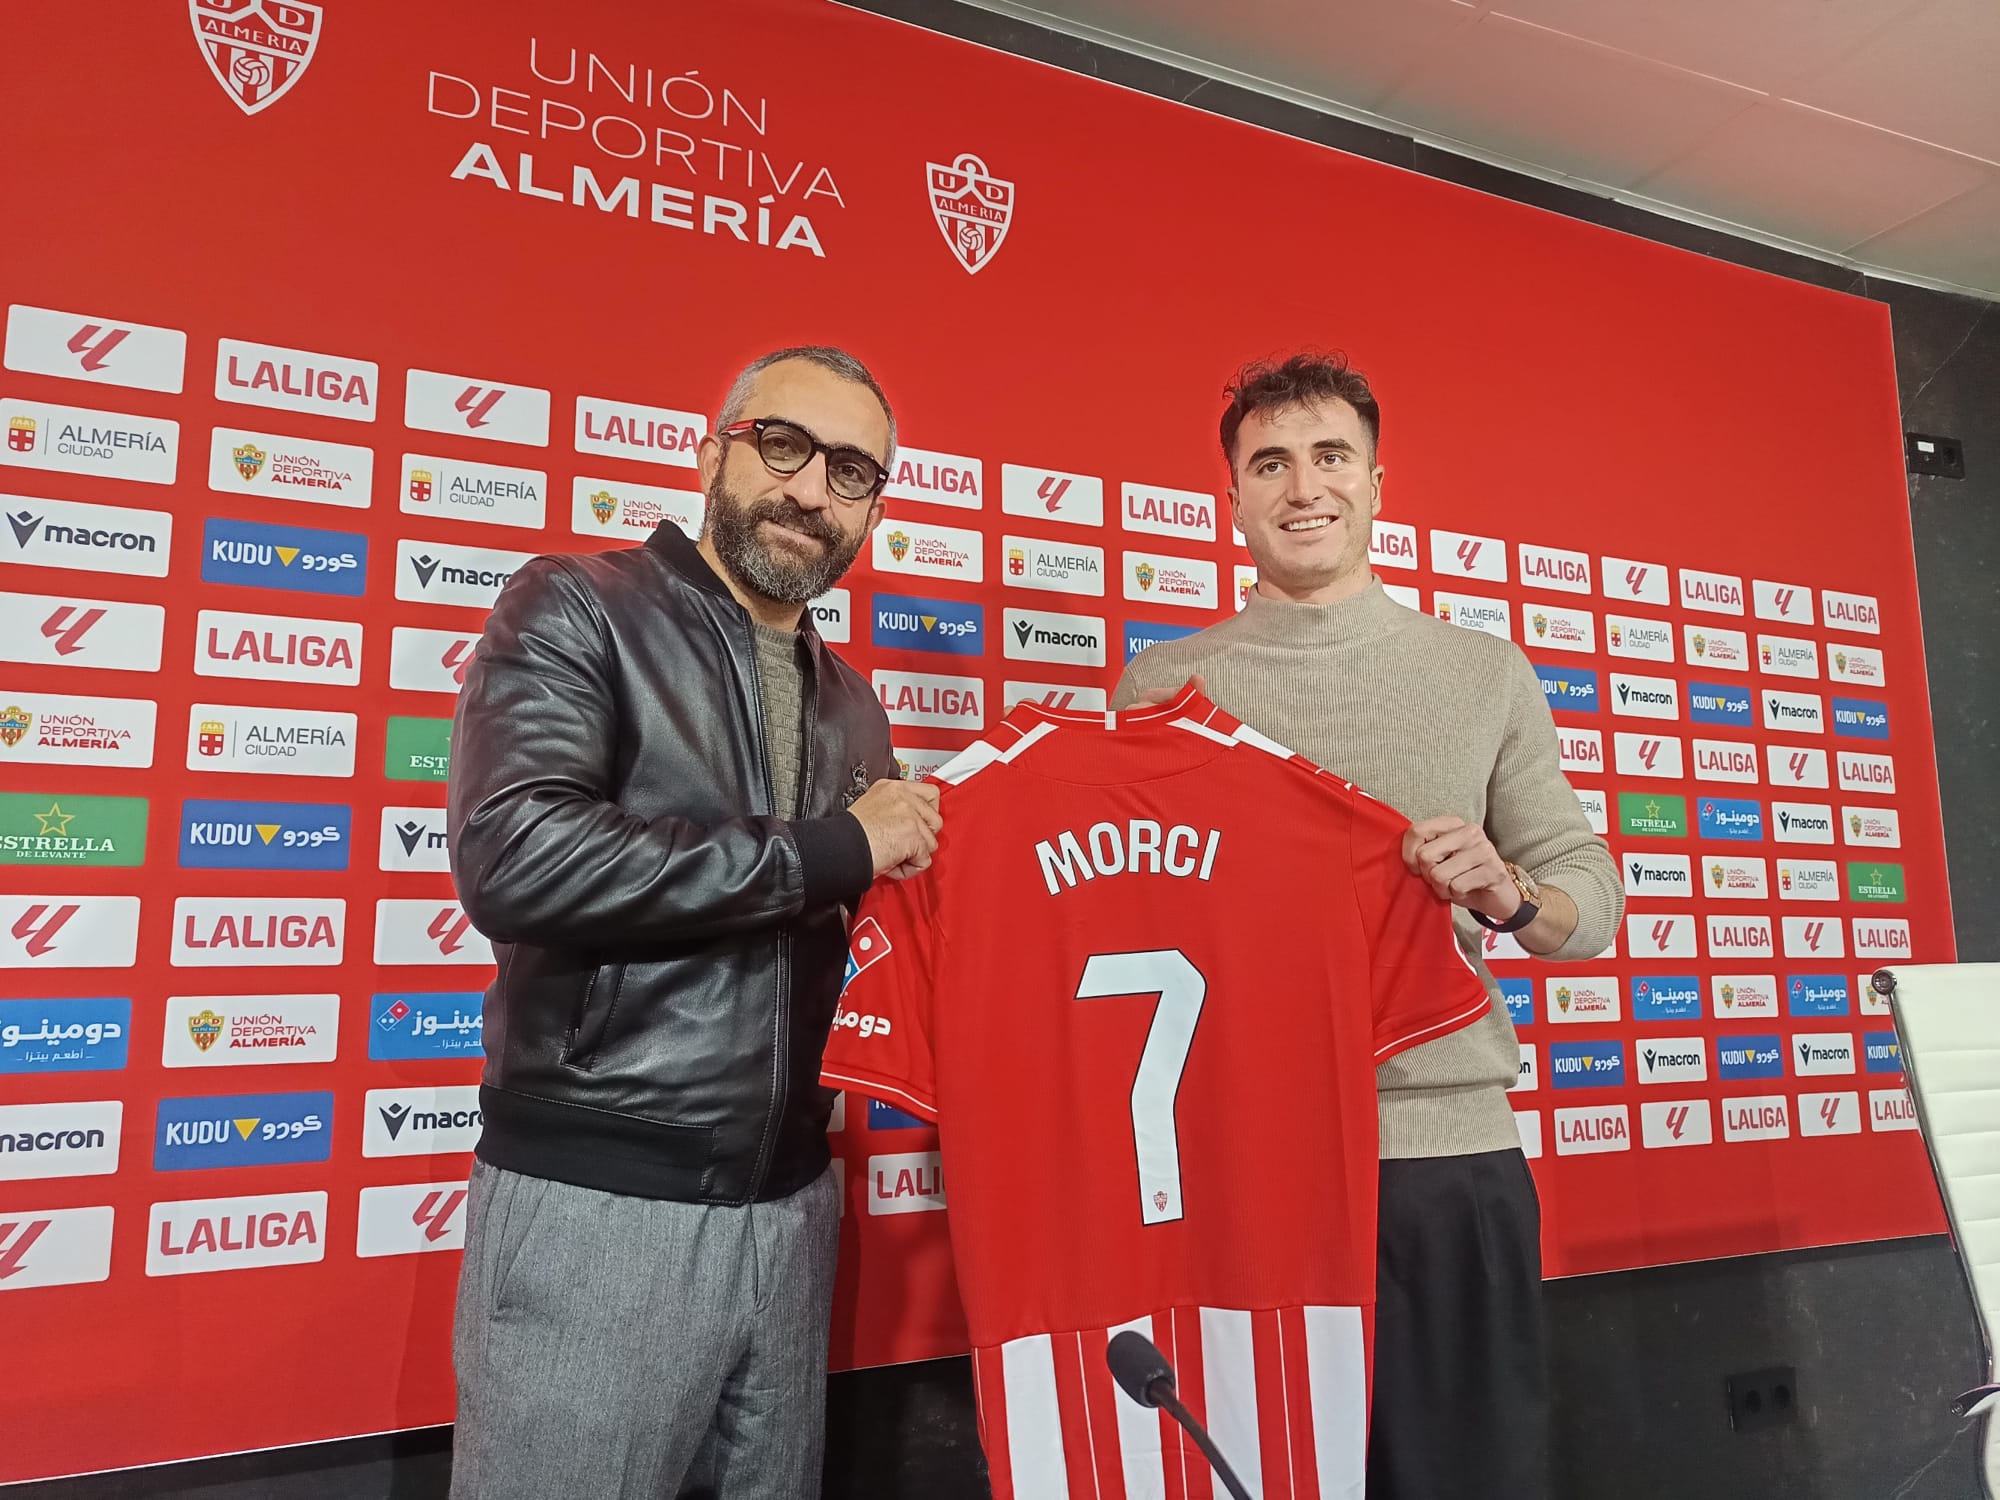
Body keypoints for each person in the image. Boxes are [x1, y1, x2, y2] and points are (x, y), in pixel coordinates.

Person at [1113, 352, 1622, 1499]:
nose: (1303, 488)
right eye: (1270, 464)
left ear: (1377, 483)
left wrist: (1510, 894)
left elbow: (1584, 895)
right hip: (1237, 1160)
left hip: (1442, 1163)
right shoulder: (1161, 684)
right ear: (1231, 499)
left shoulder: (1483, 673)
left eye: (1329, 457)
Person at [444, 345, 942, 1500]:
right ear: (716, 447)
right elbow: (514, 856)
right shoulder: (577, 604)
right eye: (785, 446)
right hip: (600, 1205)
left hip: (792, 1207)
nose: (812, 492)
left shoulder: (850, 700)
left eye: (853, 472)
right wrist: (836, 846)